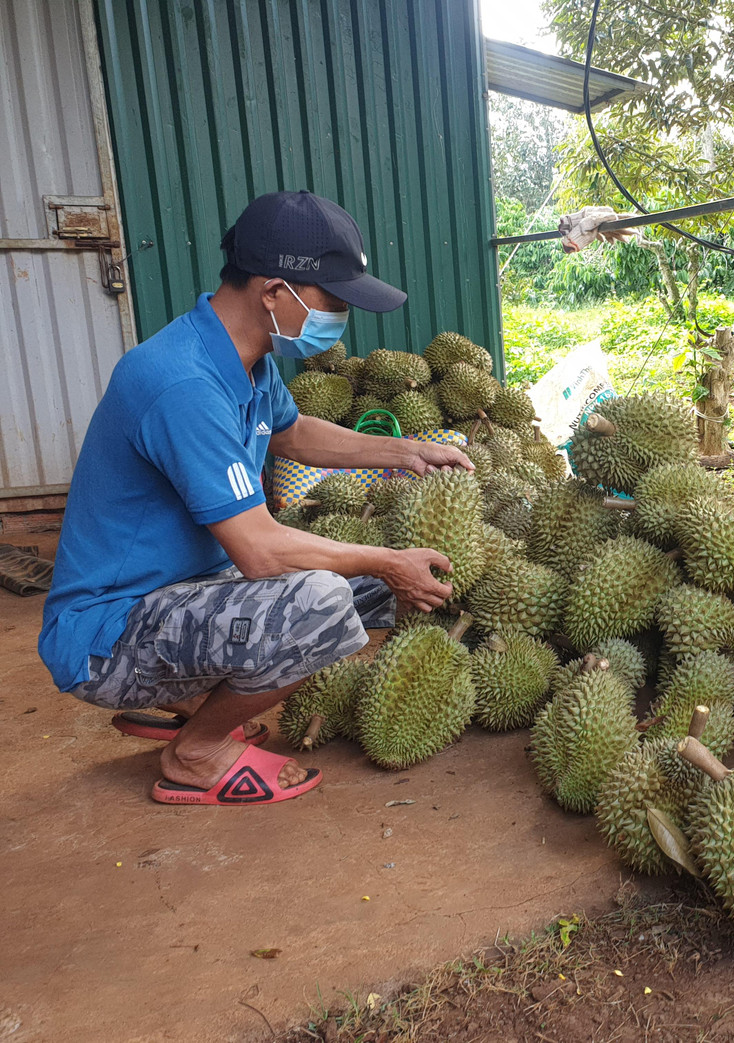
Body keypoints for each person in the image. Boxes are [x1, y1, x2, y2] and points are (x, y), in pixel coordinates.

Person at [39, 190, 470, 806]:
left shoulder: (246, 358)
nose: (342, 316)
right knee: (322, 600)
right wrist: (386, 561)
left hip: (181, 595)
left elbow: (291, 432)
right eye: (334, 301)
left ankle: (191, 698)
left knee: (368, 586)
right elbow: (262, 554)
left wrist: (407, 451)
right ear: (274, 292)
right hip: (106, 635)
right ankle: (196, 751)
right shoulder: (182, 383)